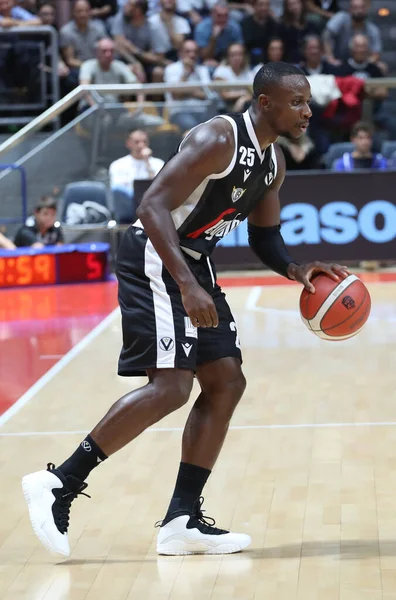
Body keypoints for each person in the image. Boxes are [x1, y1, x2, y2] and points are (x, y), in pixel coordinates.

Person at [22, 62, 349, 558]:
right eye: (297, 102)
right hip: (157, 254)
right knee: (171, 387)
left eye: (307, 101)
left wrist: (295, 270)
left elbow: (264, 235)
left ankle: (182, 519)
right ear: (265, 103)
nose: (308, 110)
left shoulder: (272, 162)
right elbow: (151, 206)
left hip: (193, 261)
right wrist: (185, 284)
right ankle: (58, 483)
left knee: (226, 381)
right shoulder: (219, 138)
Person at [109, 129, 164, 222]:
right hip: (129, 208)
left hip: (152, 205)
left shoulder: (158, 163)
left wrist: (147, 162)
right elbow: (118, 190)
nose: (141, 145)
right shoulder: (118, 164)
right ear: (128, 144)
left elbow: (158, 187)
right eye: (137, 142)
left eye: (144, 142)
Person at [323, 0, 382, 66]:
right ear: (350, 9)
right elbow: (327, 36)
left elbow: (376, 54)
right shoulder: (341, 18)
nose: (359, 11)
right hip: (339, 61)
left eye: (362, 7)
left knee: (381, 66)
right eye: (356, 8)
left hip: (361, 63)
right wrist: (330, 58)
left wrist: (367, 63)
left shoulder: (372, 29)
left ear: (366, 9)